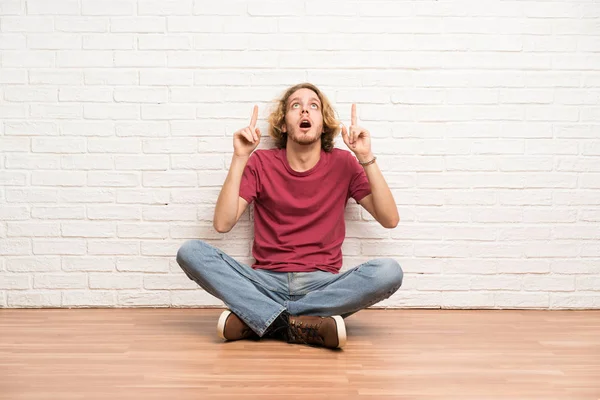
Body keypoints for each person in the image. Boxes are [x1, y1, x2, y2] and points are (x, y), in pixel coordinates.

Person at [176, 83, 403, 349]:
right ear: (284, 124)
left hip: (322, 285)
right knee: (190, 252)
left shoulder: (345, 163)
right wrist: (240, 157)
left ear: (322, 123)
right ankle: (300, 324)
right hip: (263, 281)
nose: (305, 109)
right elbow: (222, 223)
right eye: (296, 105)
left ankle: (262, 319)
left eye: (313, 106)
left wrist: (365, 156)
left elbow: (390, 219)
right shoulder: (261, 162)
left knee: (389, 272)